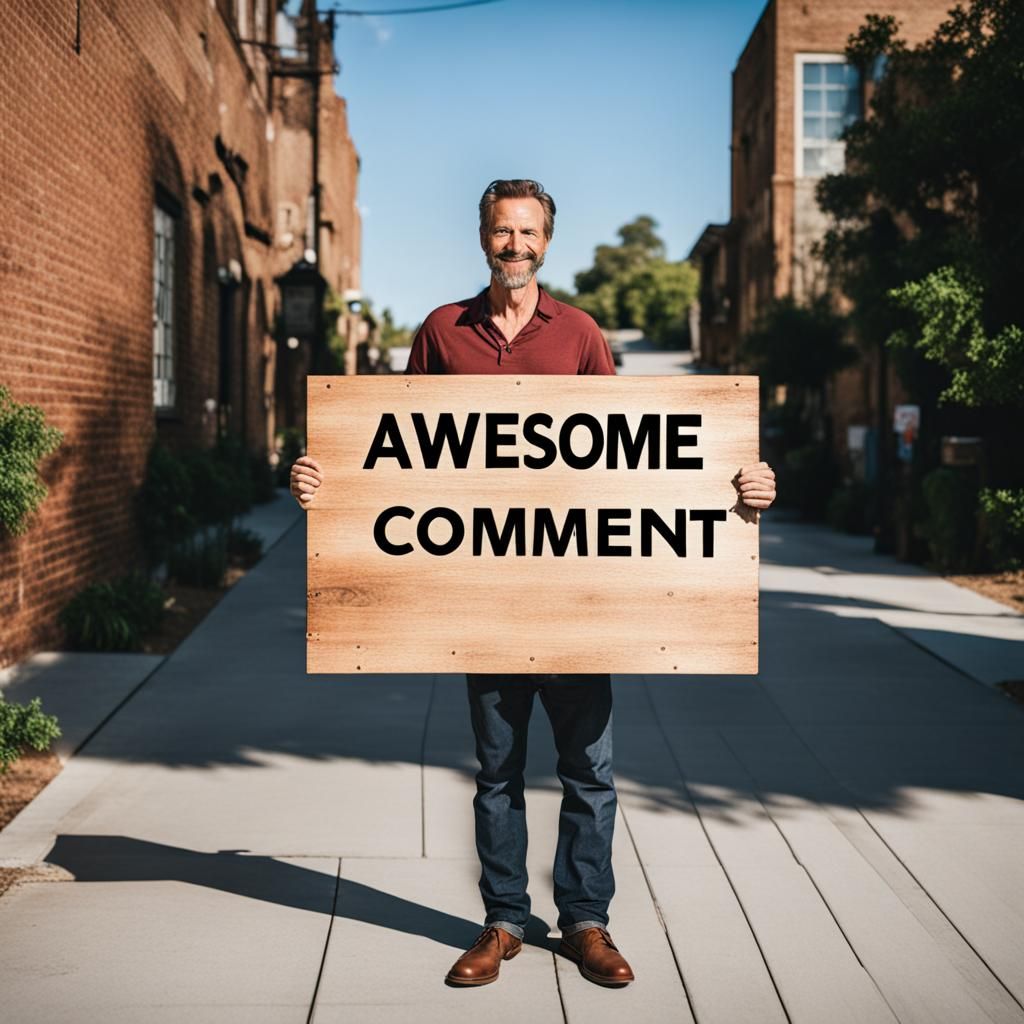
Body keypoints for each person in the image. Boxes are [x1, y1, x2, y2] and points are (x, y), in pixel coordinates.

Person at [291, 179, 777, 989]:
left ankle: (587, 923)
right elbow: (392, 451)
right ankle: (505, 922)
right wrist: (323, 479)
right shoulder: (443, 333)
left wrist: (742, 485)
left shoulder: (580, 334)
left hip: (576, 596)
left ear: (546, 243)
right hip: (482, 600)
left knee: (589, 771)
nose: (514, 245)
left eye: (528, 233)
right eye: (501, 231)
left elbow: (633, 462)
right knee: (497, 773)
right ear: (482, 236)